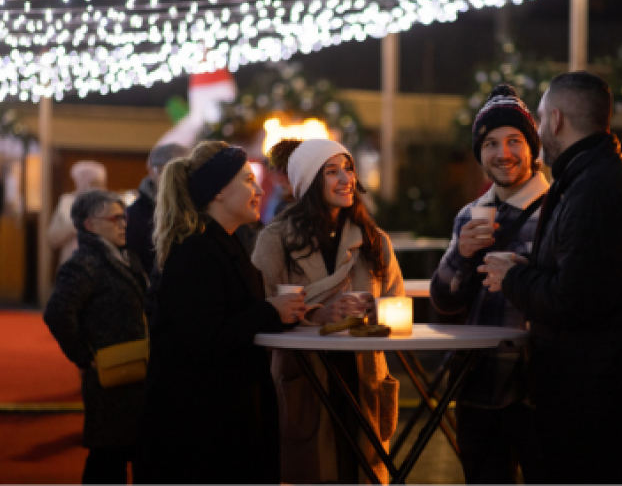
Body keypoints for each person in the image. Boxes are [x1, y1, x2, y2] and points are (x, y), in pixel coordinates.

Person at [479, 71, 622, 483]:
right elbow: (589, 278)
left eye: (542, 117)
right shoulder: (601, 176)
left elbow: (576, 300)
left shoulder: (594, 190)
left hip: (593, 395)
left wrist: (513, 278)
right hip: (604, 386)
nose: (541, 128)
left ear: (557, 119)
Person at [133, 141, 307, 484]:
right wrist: (269, 311)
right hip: (195, 433)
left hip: (222, 420)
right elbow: (208, 340)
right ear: (218, 192)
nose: (258, 189)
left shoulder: (227, 244)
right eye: (247, 181)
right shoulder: (195, 253)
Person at [252, 138, 403, 484]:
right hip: (307, 376)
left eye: (348, 168)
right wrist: (316, 315)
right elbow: (258, 310)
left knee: (363, 470)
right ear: (307, 182)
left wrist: (372, 311)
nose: (346, 178)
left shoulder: (374, 239)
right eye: (331, 171)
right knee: (314, 471)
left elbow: (395, 301)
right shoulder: (276, 240)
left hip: (363, 374)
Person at [429, 84, 549, 484]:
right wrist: (459, 255)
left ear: (532, 147)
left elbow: (573, 292)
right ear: (480, 154)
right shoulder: (470, 215)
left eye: (515, 140)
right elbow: (444, 301)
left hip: (540, 385)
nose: (504, 153)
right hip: (478, 381)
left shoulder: (556, 211)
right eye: (492, 144)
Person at [43, 189, 148, 484]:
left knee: (129, 451)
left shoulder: (124, 256)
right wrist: (84, 356)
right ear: (90, 225)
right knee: (108, 458)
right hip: (110, 376)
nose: (124, 224)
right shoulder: (85, 262)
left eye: (123, 217)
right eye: (115, 218)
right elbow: (57, 313)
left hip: (133, 371)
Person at [125, 142, 189, 276]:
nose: (173, 178)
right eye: (163, 171)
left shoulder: (198, 207)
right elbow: (133, 260)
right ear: (152, 172)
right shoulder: (136, 213)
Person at [48, 160, 107, 268]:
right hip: (72, 261)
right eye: (94, 183)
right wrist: (77, 225)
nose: (99, 188)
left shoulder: (108, 203)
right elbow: (53, 237)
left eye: (100, 183)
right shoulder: (67, 202)